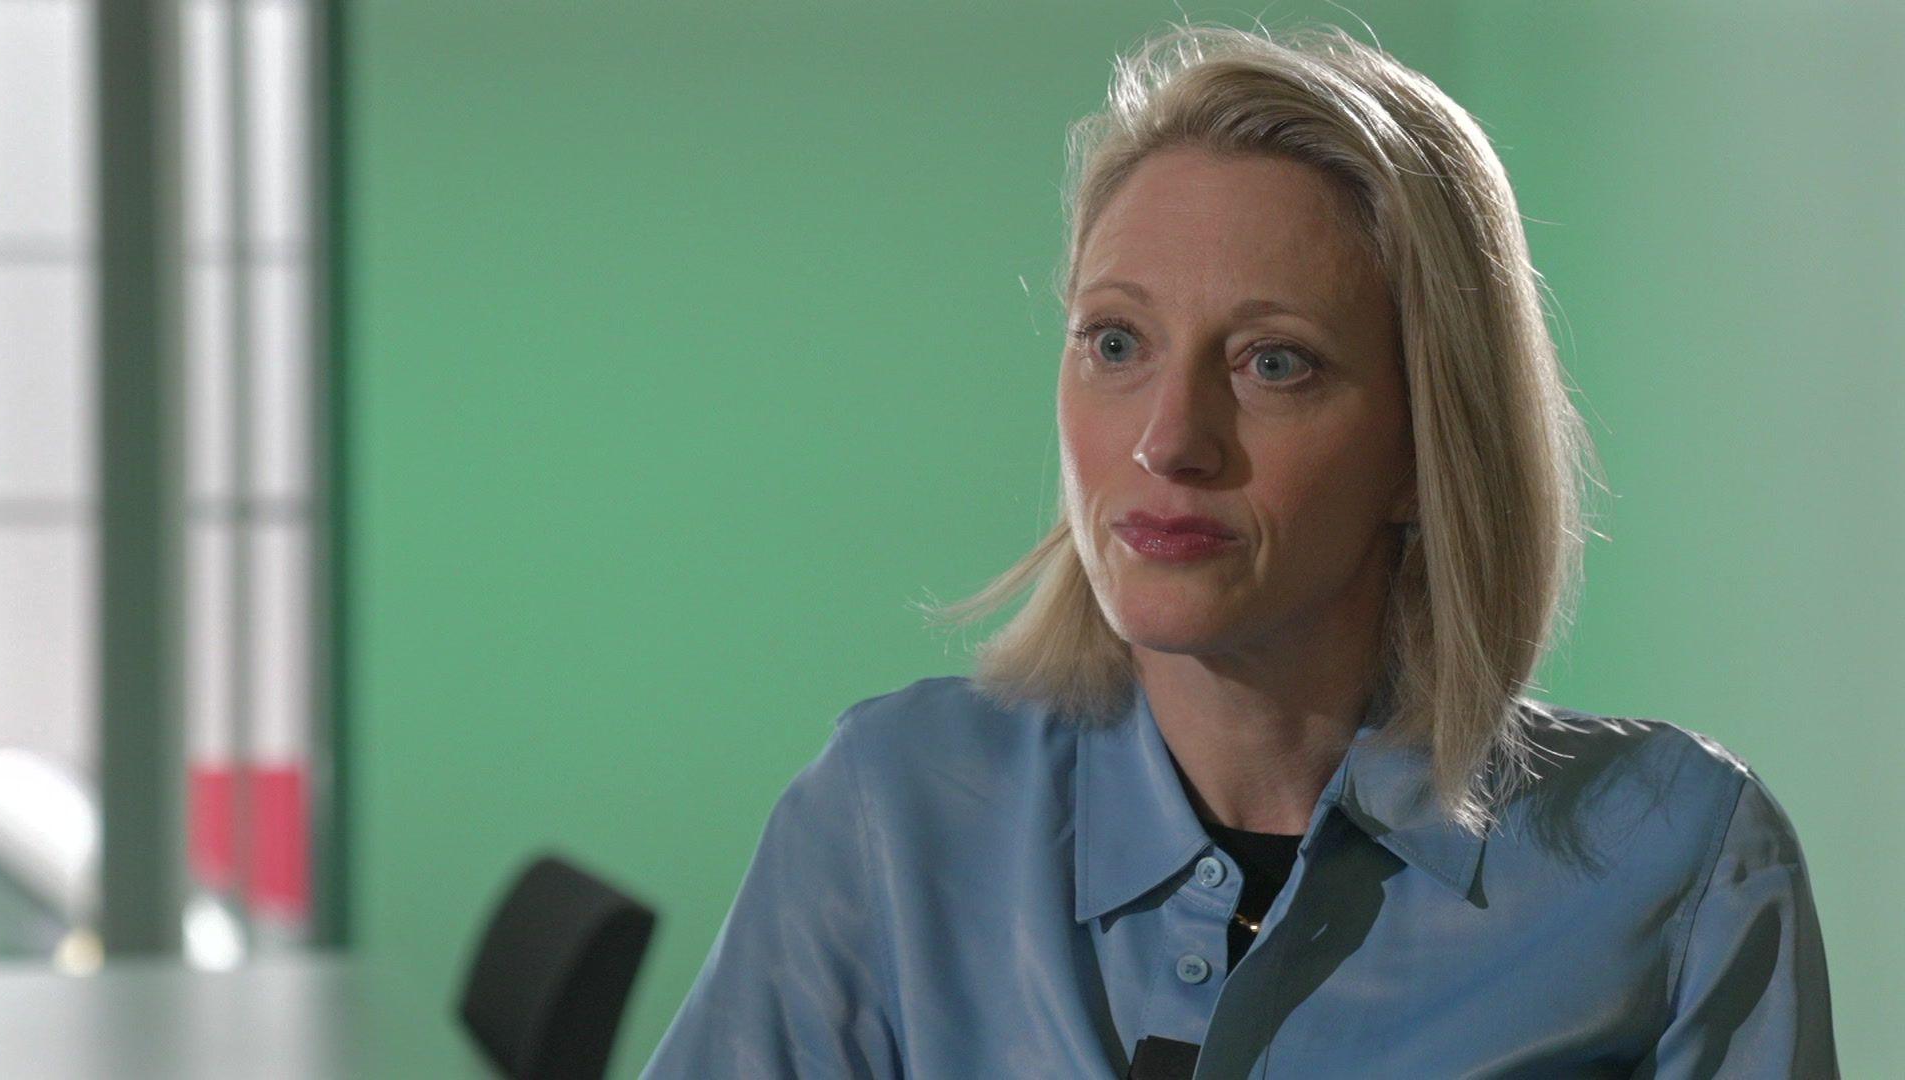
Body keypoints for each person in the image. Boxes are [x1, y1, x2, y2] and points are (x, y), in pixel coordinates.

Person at [642, 21, 1837, 1079]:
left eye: (1275, 362)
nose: (1170, 441)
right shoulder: (894, 812)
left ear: (1429, 444)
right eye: (1116, 343)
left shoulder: (1678, 864)